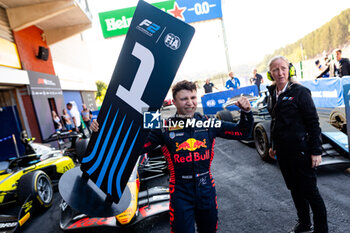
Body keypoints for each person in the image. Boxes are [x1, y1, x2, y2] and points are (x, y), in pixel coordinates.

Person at [91, 80, 254, 233]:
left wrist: (246, 112)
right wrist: (102, 133)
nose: (190, 102)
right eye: (184, 99)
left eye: (193, 97)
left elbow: (243, 132)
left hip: (206, 189)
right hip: (180, 192)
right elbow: (132, 149)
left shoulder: (208, 123)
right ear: (174, 102)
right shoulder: (163, 127)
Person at [267, 56, 328, 233]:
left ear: (290, 70)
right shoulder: (272, 93)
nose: (280, 73)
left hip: (302, 152)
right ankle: (304, 224)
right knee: (294, 189)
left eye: (283, 68)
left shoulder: (301, 92)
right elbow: (275, 122)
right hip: (284, 154)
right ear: (271, 74)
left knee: (311, 193)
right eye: (276, 70)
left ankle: (321, 230)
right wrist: (273, 146)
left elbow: (313, 123)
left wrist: (316, 151)